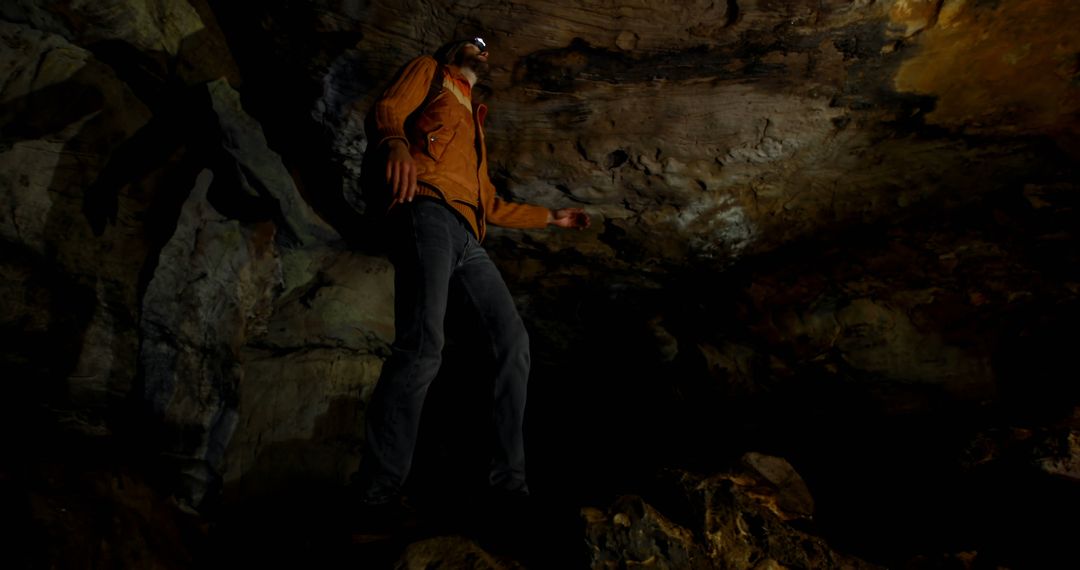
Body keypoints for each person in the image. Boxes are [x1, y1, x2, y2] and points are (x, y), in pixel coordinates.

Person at [352, 37, 590, 520]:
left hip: (468, 236)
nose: (483, 48)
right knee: (422, 346)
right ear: (452, 50)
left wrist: (550, 218)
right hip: (427, 212)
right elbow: (388, 108)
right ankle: (374, 496)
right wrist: (395, 144)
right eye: (473, 42)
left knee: (513, 343)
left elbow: (492, 202)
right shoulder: (430, 72)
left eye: (487, 45)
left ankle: (507, 489)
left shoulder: (476, 120)